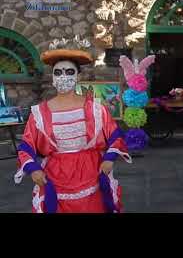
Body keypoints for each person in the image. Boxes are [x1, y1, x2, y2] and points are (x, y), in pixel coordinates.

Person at [14, 37, 132, 213]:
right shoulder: (39, 113)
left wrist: (108, 159)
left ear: (78, 76)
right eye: (58, 72)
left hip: (91, 173)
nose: (63, 77)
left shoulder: (96, 109)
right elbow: (26, 147)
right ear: (53, 77)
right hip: (54, 177)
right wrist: (33, 169)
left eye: (69, 72)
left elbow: (115, 136)